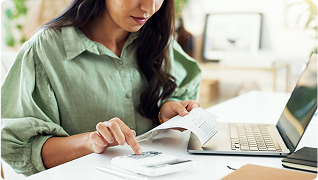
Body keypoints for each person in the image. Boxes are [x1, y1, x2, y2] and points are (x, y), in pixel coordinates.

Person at [0, 0, 201, 176]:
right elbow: (19, 148)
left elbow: (182, 88)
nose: (149, 7)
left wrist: (166, 108)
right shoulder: (44, 50)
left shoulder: (158, 40)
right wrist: (91, 142)